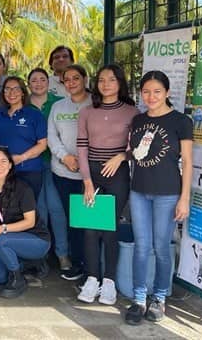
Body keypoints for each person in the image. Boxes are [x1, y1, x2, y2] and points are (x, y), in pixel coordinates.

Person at [124, 71, 192, 325]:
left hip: (168, 193)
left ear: (166, 93)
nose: (151, 96)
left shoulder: (180, 121)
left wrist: (184, 198)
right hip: (139, 190)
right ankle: (139, 298)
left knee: (162, 247)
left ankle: (159, 297)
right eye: (146, 91)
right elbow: (133, 153)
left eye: (157, 91)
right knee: (141, 246)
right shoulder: (138, 120)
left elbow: (186, 160)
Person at [76, 64, 138, 305]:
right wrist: (87, 181)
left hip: (118, 173)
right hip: (91, 172)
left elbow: (138, 147)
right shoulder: (87, 112)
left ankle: (109, 282)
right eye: (101, 80)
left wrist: (122, 156)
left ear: (120, 83)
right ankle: (92, 279)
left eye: (111, 80)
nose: (106, 84)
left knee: (110, 228)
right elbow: (81, 147)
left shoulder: (132, 112)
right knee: (90, 229)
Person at [0, 147, 50, 298]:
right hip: (8, 238)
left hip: (36, 240)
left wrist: (1, 229)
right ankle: (30, 264)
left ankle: (18, 280)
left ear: (10, 165)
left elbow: (30, 222)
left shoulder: (23, 188)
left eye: (3, 161)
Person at [48, 65, 92, 281]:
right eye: (67, 79)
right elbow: (52, 137)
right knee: (72, 220)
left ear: (85, 79)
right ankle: (78, 264)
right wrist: (64, 157)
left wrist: (84, 163)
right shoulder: (58, 107)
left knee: (90, 221)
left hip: (91, 175)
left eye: (76, 78)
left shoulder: (96, 104)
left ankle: (92, 268)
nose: (72, 82)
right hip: (63, 173)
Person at [27, 68, 69, 272]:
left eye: (42, 79)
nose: (38, 83)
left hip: (55, 163)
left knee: (55, 207)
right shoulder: (23, 103)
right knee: (38, 209)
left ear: (49, 82)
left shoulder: (59, 102)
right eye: (34, 80)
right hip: (31, 164)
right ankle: (40, 253)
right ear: (28, 84)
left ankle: (62, 253)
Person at [0, 76, 47, 201]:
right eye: (7, 89)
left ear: (22, 92)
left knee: (28, 210)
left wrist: (21, 158)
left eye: (16, 89)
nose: (11, 93)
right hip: (4, 173)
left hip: (29, 170)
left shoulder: (34, 115)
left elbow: (42, 145)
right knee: (6, 210)